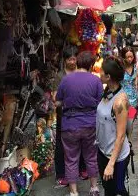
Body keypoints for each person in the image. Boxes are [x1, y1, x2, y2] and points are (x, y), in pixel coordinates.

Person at [56, 51, 103, 196]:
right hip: (90, 124)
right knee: (91, 156)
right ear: (91, 64)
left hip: (70, 124)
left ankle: (74, 191)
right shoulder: (95, 81)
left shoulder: (66, 80)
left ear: (77, 62)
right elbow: (101, 101)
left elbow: (57, 102)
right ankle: (94, 187)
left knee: (70, 159)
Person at [96, 56, 131, 196]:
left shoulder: (120, 102)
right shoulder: (107, 91)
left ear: (108, 76)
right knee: (108, 189)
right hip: (103, 151)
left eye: (101, 71)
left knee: (118, 190)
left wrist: (111, 164)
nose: (99, 72)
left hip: (116, 157)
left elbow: (121, 136)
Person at [54, 45, 80, 188]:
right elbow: (55, 98)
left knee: (81, 142)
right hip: (64, 116)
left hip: (79, 115)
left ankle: (81, 169)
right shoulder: (60, 76)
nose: (72, 62)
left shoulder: (80, 73)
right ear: (64, 60)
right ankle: (61, 174)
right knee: (61, 145)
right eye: (69, 59)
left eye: (74, 59)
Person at [120, 47, 138, 138]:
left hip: (133, 100)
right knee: (123, 122)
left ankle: (128, 140)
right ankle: (125, 141)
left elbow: (136, 77)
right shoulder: (120, 68)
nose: (130, 59)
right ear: (123, 57)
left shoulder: (135, 66)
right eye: (127, 57)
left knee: (130, 122)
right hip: (122, 100)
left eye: (131, 57)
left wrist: (136, 84)